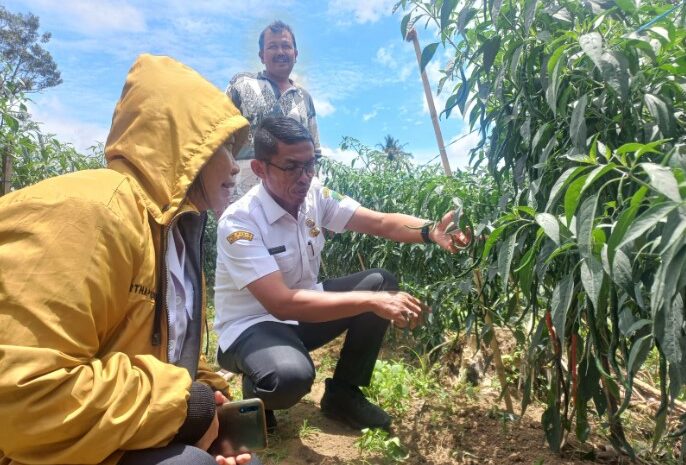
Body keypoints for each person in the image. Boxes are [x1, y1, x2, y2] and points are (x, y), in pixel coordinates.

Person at [0, 55, 262, 465]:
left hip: (104, 433)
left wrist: (213, 398)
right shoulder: (91, 213)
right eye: (224, 147)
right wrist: (186, 408)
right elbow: (22, 397)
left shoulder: (174, 234)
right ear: (184, 147)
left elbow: (172, 356)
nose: (234, 167)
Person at [213, 117, 470, 432]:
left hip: (300, 315)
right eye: (292, 167)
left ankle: (343, 395)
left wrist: (430, 231)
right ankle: (258, 388)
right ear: (260, 169)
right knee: (291, 377)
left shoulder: (314, 195)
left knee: (381, 282)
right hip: (251, 327)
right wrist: (370, 302)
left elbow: (378, 222)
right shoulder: (240, 221)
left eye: (311, 165)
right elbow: (280, 303)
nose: (305, 177)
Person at [226, 20, 321, 197]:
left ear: (295, 53)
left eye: (286, 46)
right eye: (272, 47)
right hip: (242, 195)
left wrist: (313, 197)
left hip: (292, 198)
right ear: (262, 55)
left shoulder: (304, 98)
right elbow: (220, 141)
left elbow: (314, 153)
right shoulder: (241, 85)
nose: (280, 52)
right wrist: (222, 194)